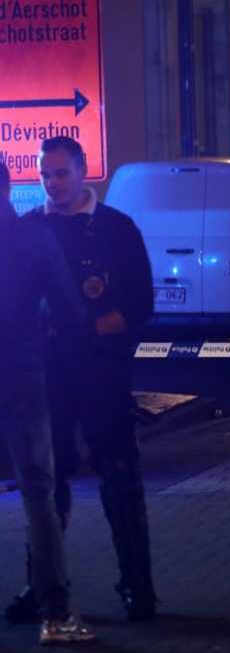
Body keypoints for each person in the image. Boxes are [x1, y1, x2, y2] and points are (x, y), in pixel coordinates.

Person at [8, 136, 158, 623]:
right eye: (44, 175)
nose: (51, 184)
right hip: (47, 376)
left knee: (120, 480)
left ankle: (139, 586)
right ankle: (45, 585)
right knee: (48, 486)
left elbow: (139, 303)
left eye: (61, 173)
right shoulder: (29, 230)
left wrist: (94, 326)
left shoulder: (116, 229)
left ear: (83, 169)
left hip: (102, 372)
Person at [0, 162, 97, 644]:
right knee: (39, 491)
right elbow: (71, 308)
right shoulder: (32, 237)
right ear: (8, 185)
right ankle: (54, 612)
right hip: (22, 372)